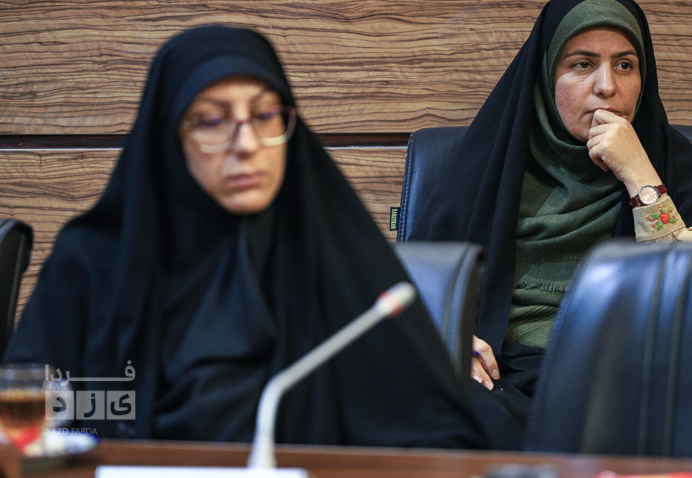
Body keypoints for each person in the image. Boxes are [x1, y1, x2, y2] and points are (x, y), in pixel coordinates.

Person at [4, 25, 491, 448]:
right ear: (168, 137)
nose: (247, 145)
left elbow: (435, 436)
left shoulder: (333, 253)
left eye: (264, 115)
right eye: (211, 121)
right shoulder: (93, 261)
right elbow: (28, 421)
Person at [407, 0, 692, 427]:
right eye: (582, 65)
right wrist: (449, 340)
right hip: (498, 374)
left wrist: (640, 176)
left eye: (625, 65)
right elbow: (418, 289)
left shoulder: (673, 163)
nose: (607, 87)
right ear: (545, 74)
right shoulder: (489, 160)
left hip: (622, 376)